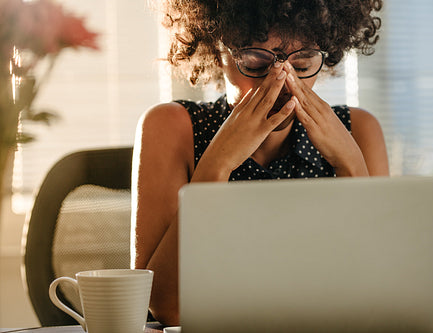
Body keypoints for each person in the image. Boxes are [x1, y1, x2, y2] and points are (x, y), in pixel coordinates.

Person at [132, 0, 389, 325]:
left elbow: (380, 297)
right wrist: (217, 164)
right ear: (217, 48)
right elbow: (168, 307)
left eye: (304, 60)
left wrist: (351, 164)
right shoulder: (172, 127)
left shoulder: (360, 131)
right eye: (255, 61)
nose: (281, 81)